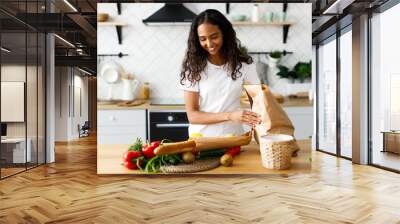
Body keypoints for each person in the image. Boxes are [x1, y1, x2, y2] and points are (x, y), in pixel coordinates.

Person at [179, 9, 261, 137]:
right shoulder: (192, 68)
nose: (209, 43)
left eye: (214, 37)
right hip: (201, 140)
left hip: (234, 139)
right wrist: (229, 115)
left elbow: (259, 103)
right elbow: (193, 116)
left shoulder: (245, 65)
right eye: (203, 39)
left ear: (224, 34)